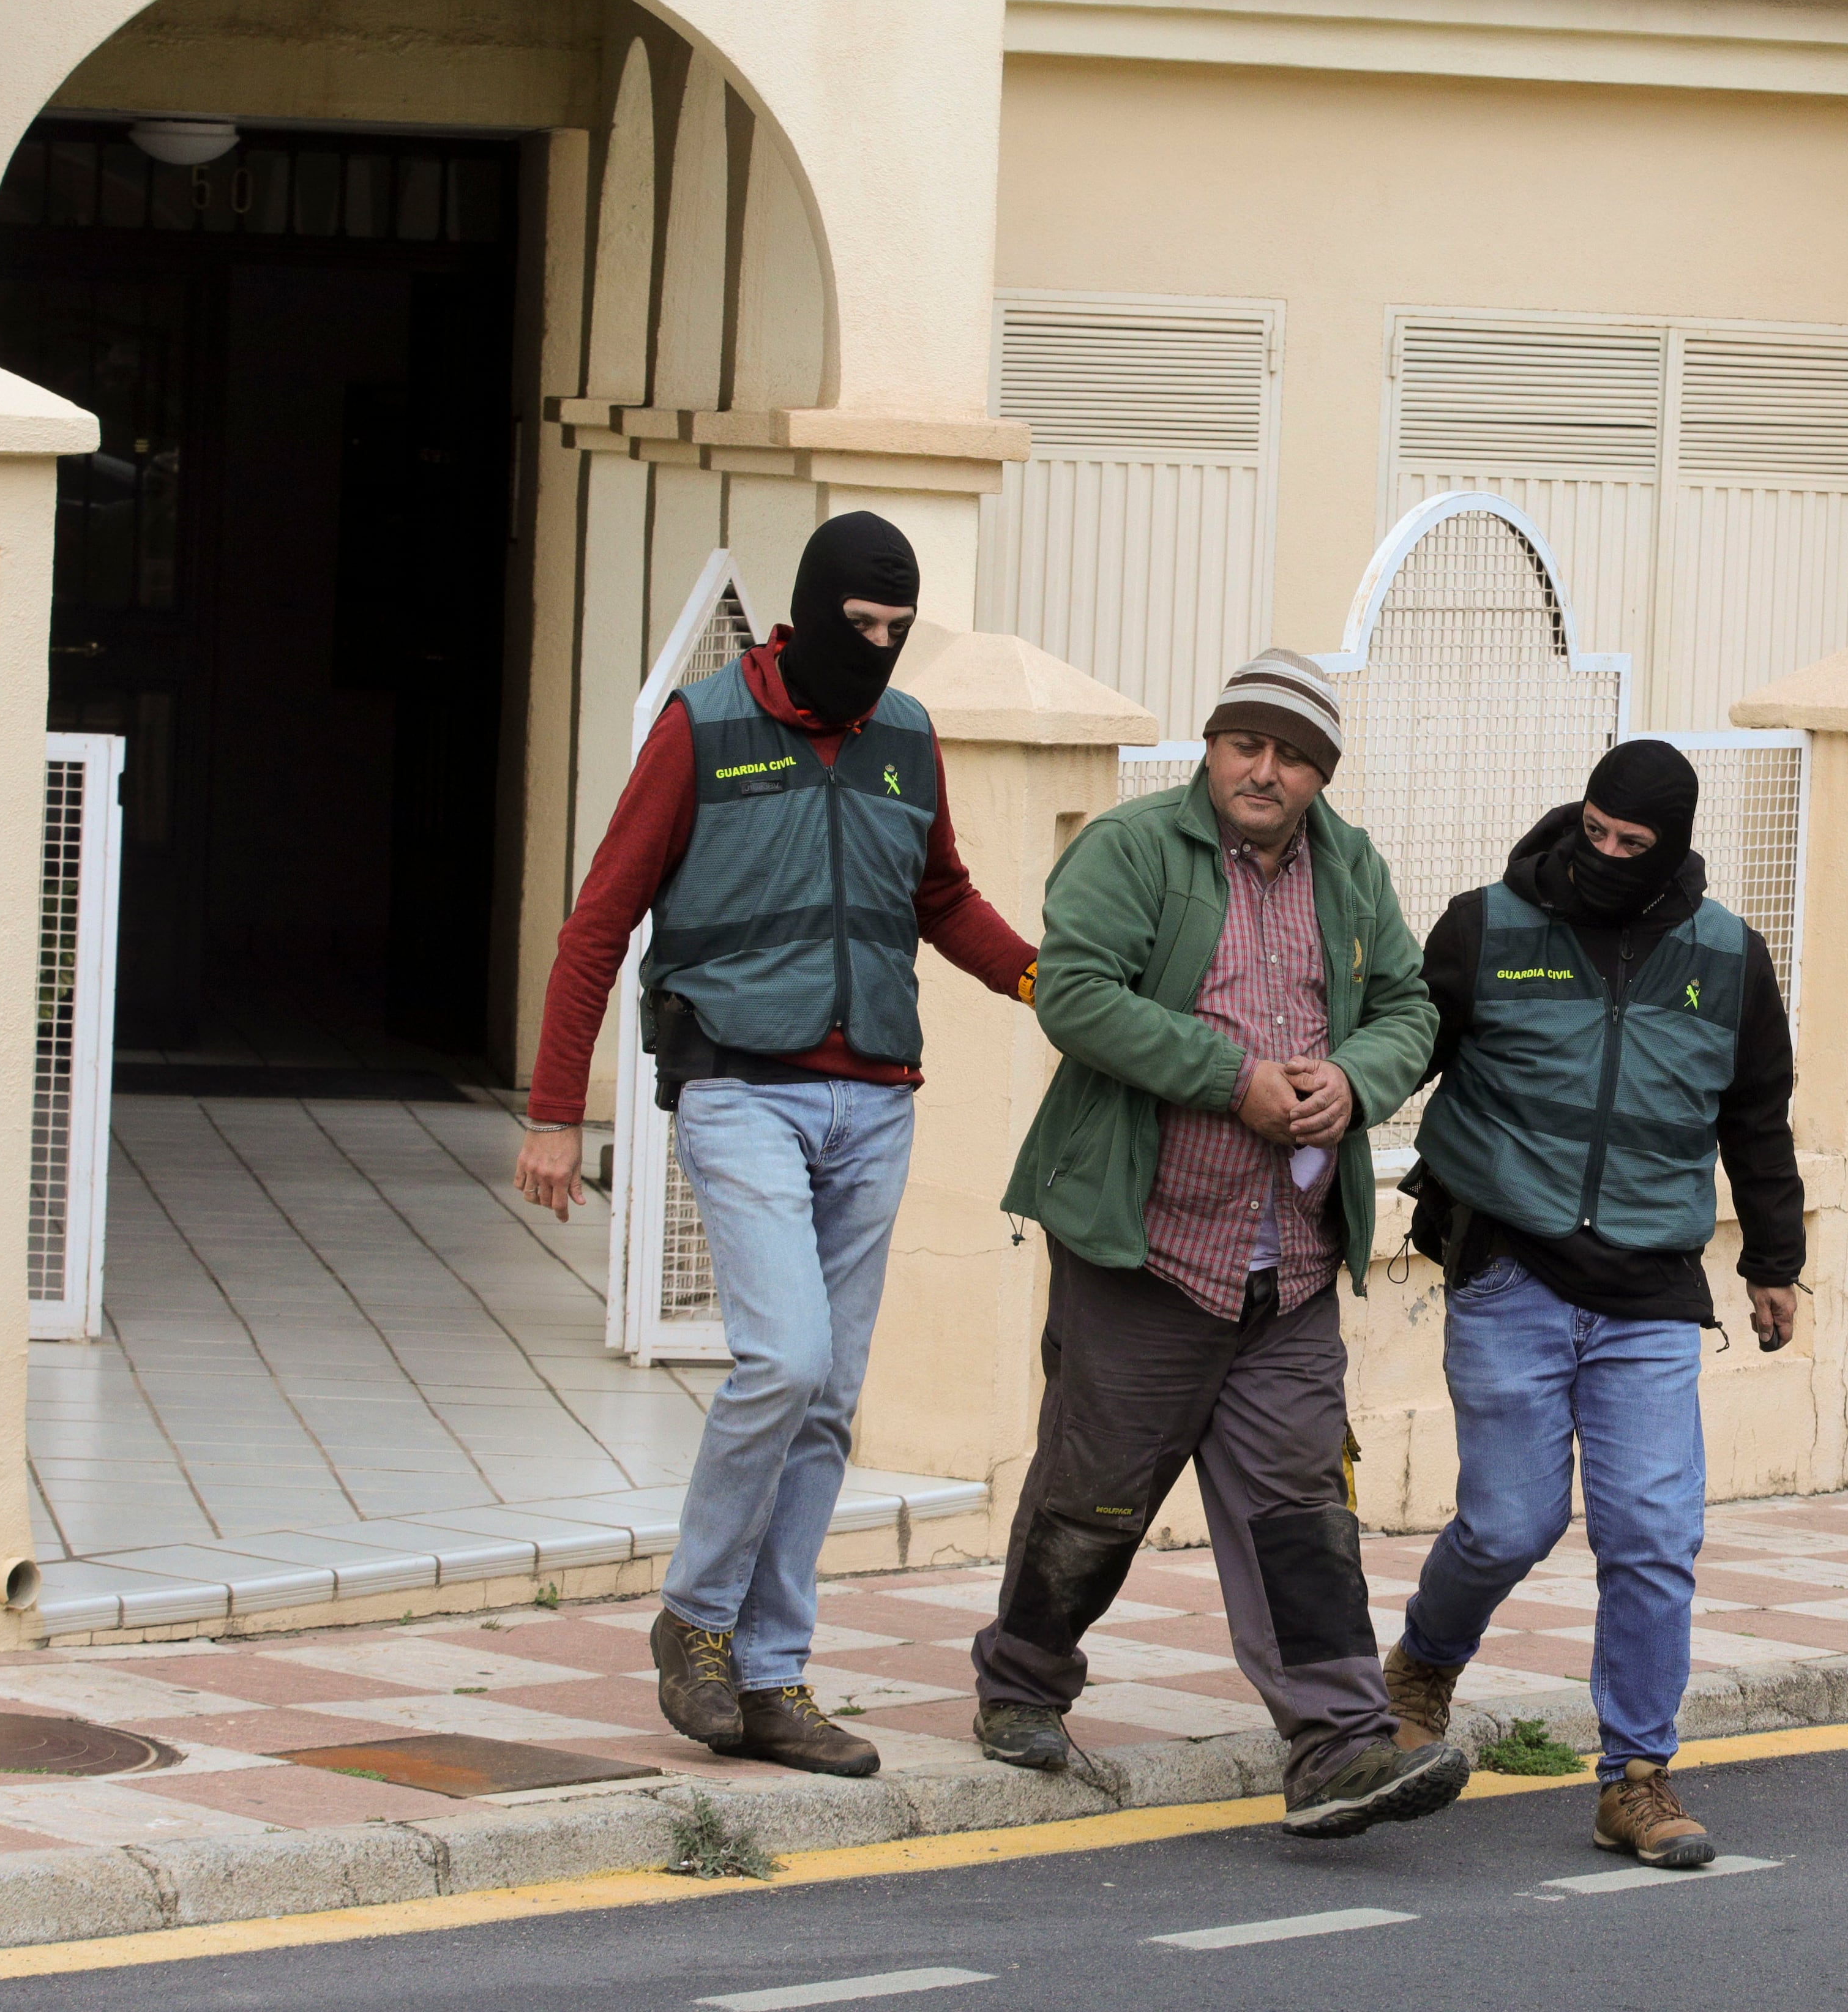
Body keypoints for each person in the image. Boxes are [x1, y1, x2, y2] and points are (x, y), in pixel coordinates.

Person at [511, 513, 1039, 1776]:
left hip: (877, 1098)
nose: (883, 649)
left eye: (900, 631)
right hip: (740, 1084)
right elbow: (600, 918)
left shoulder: (907, 736)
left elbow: (943, 898)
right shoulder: (703, 725)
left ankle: (771, 1674)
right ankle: (694, 1620)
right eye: (863, 627)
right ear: (810, 612)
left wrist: (1045, 986)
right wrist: (550, 1110)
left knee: (830, 1400)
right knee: (784, 1359)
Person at [969, 649, 1468, 1838]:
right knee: (1095, 1491)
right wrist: (1231, 1080)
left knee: (1300, 1504)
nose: (1264, 767)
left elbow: (1411, 1006)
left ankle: (1337, 1747)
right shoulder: (1135, 847)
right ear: (1211, 745)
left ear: (1318, 773)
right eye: (1246, 741)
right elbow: (1073, 995)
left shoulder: (1350, 868)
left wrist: (1354, 1079)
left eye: (1292, 753)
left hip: (1289, 1259)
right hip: (1144, 1242)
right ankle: (1022, 1682)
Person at [1385, 739, 1804, 1867]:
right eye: (1597, 834)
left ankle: (1636, 1777)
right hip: (1510, 1267)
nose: (1608, 858)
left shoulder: (1729, 958)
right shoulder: (1487, 927)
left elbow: (1757, 1118)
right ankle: (1425, 1661)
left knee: (1655, 1533)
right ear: (1581, 815)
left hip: (1653, 1292)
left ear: (1673, 845)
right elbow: (1400, 1051)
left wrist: (1775, 1260)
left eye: (1634, 846)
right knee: (1513, 1523)